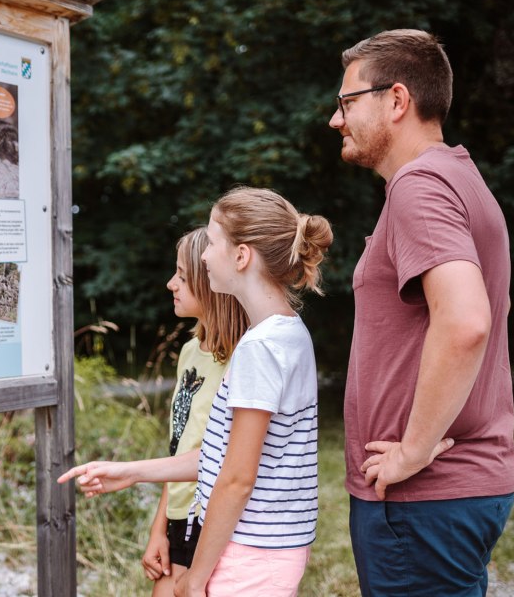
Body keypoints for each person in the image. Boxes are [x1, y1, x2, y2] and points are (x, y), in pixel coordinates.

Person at [61, 187, 333, 597]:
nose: (204, 256)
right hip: (267, 552)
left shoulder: (259, 348)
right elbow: (222, 458)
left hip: (248, 557)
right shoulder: (288, 332)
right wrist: (132, 472)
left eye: (212, 242)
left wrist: (197, 575)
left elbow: (237, 479)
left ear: (241, 256)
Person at [328, 29, 514, 596]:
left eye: (346, 102)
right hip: (448, 497)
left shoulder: (420, 187)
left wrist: (412, 452)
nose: (336, 120)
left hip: (422, 498)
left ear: (396, 100)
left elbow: (466, 323)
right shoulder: (457, 177)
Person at [144, 227, 249, 596]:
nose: (171, 284)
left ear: (211, 283)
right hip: (177, 518)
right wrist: (159, 529)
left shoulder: (241, 360)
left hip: (210, 522)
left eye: (183, 276)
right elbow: (180, 446)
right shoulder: (190, 352)